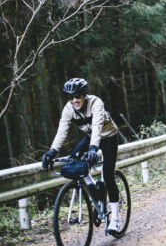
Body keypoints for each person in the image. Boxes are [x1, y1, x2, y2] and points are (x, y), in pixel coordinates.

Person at [42, 78, 120, 233]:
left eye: (77, 96)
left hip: (108, 136)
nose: (74, 100)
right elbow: (62, 131)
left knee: (108, 175)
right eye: (70, 97)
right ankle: (94, 188)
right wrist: (52, 151)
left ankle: (115, 220)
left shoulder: (96, 103)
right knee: (73, 161)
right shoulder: (69, 108)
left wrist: (92, 149)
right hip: (91, 137)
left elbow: (97, 126)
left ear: (84, 94)